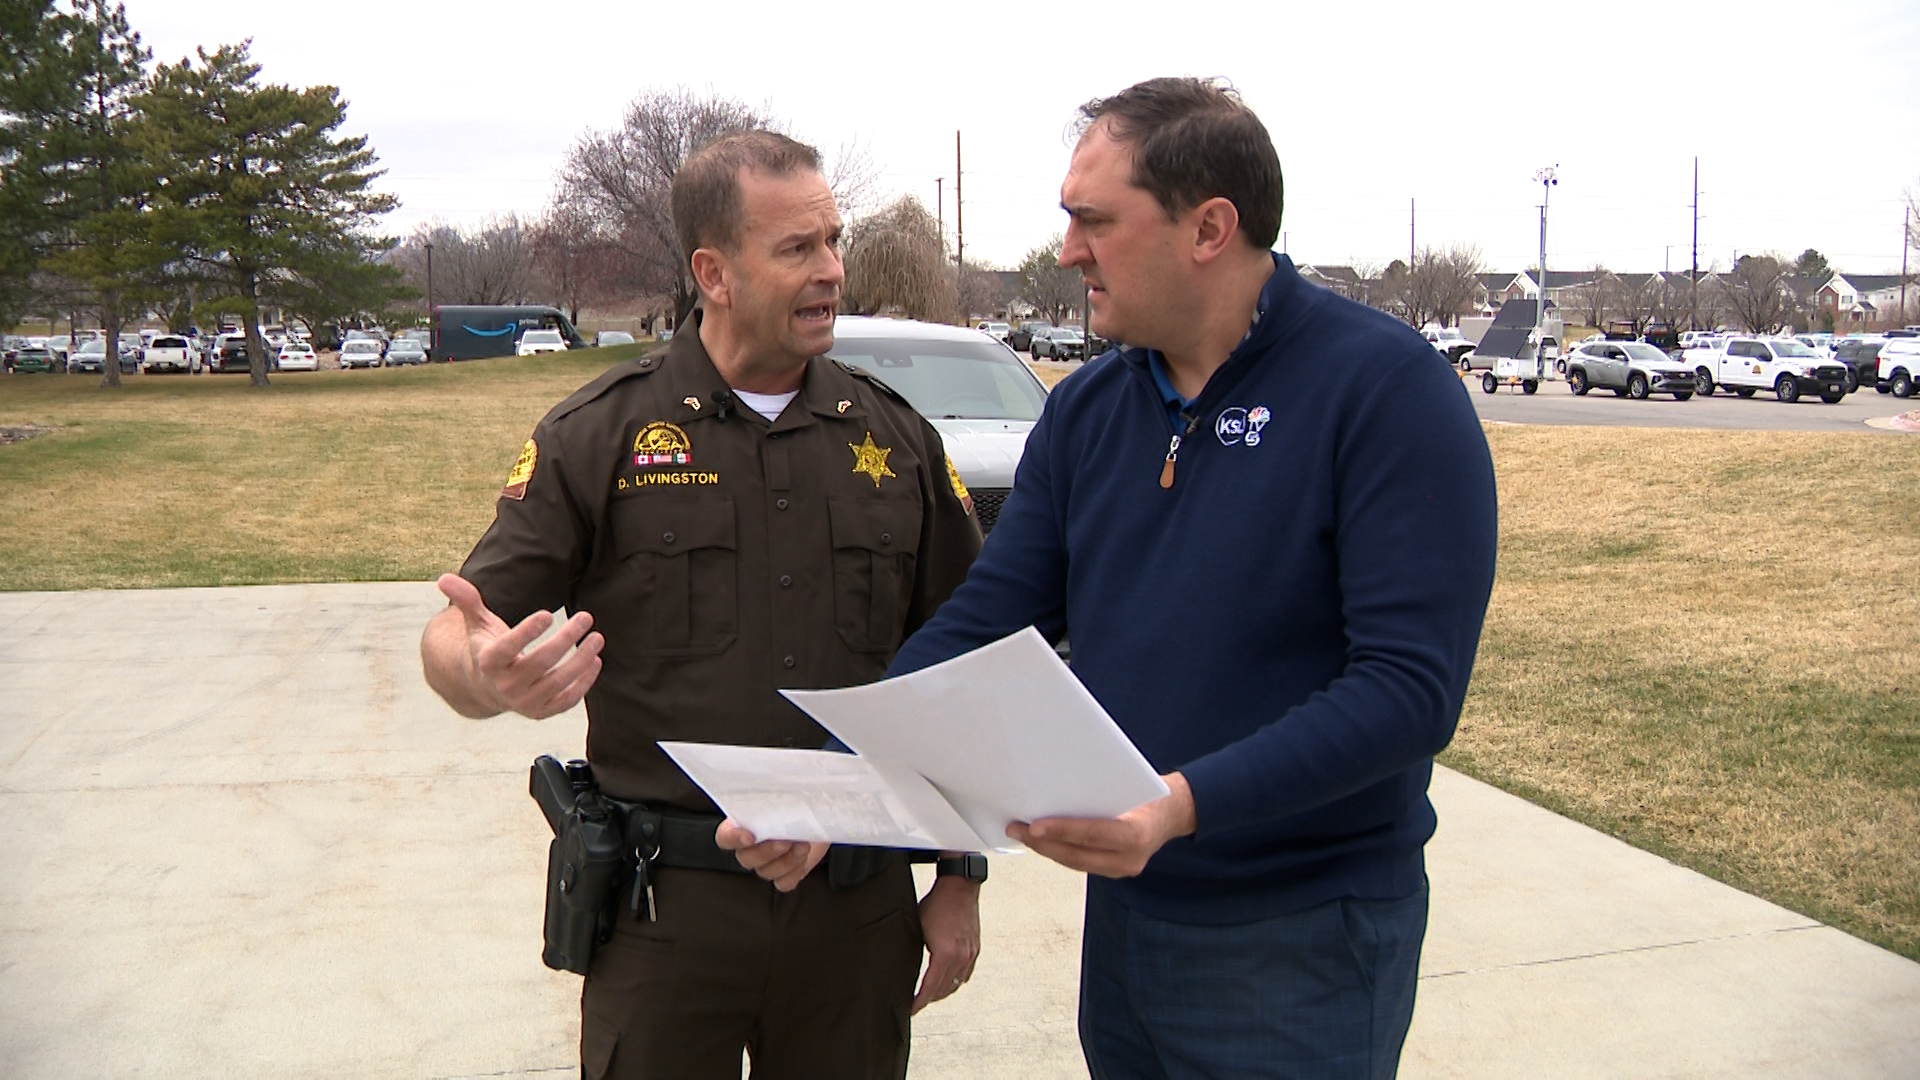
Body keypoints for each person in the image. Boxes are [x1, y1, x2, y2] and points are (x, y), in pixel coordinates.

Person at [883, 78, 1500, 1078]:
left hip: (1304, 933)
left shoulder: (1383, 393)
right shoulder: (1089, 411)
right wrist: (835, 758)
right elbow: (991, 619)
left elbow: (1409, 691)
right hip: (1128, 920)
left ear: (1209, 227)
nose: (1067, 251)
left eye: (1094, 221)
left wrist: (1180, 805)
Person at [419, 130, 985, 1080]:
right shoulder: (598, 435)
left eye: (833, 241)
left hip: (856, 910)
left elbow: (962, 670)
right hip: (664, 913)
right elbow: (458, 626)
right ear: (714, 272)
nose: (832, 272)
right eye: (797, 249)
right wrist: (479, 674)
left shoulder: (895, 439)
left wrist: (959, 877)